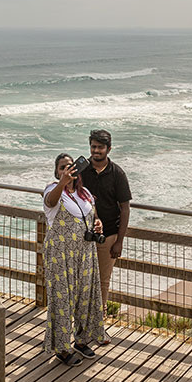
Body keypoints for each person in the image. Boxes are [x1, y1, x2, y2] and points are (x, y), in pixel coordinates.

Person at [42, 153, 105, 366]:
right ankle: (61, 347)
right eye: (62, 167)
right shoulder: (53, 191)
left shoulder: (85, 193)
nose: (67, 170)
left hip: (85, 253)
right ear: (57, 172)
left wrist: (98, 224)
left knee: (84, 297)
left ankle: (81, 340)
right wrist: (63, 182)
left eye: (70, 167)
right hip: (61, 255)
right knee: (62, 300)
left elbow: (92, 216)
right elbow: (50, 203)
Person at [79, 129, 131, 313]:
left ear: (109, 149)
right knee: (81, 279)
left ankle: (98, 322)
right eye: (93, 146)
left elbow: (124, 208)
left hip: (108, 235)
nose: (96, 151)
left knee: (102, 281)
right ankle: (81, 320)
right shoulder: (81, 170)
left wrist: (119, 241)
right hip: (81, 235)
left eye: (100, 147)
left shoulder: (117, 174)